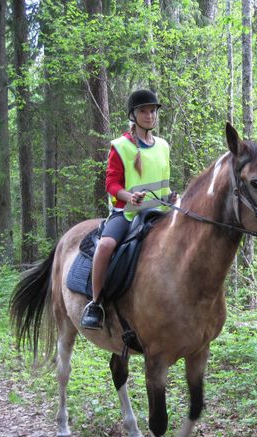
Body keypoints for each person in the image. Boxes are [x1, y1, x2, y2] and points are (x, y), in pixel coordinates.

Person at [81, 89, 176, 330]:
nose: (149, 115)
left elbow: (164, 181)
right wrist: (128, 196)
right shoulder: (121, 146)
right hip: (128, 214)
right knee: (105, 246)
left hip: (161, 213)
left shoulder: (163, 146)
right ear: (133, 115)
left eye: (152, 110)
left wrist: (172, 197)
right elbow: (111, 183)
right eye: (144, 111)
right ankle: (96, 303)